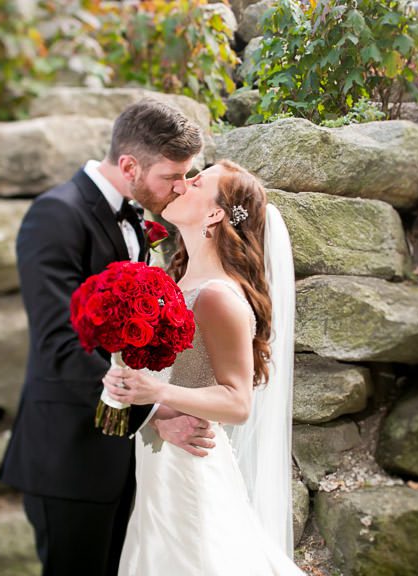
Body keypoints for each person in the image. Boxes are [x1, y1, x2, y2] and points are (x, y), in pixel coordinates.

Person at [0, 99, 218, 576]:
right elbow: (61, 344)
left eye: (187, 176)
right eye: (172, 176)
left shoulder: (137, 220)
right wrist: (156, 409)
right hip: (69, 452)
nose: (181, 187)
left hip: (119, 450)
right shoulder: (55, 215)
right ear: (129, 165)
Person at [103, 160, 304, 575]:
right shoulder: (177, 284)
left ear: (215, 214)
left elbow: (237, 400)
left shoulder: (218, 296)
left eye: (197, 181)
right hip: (157, 457)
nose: (183, 184)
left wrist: (156, 393)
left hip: (186, 466)